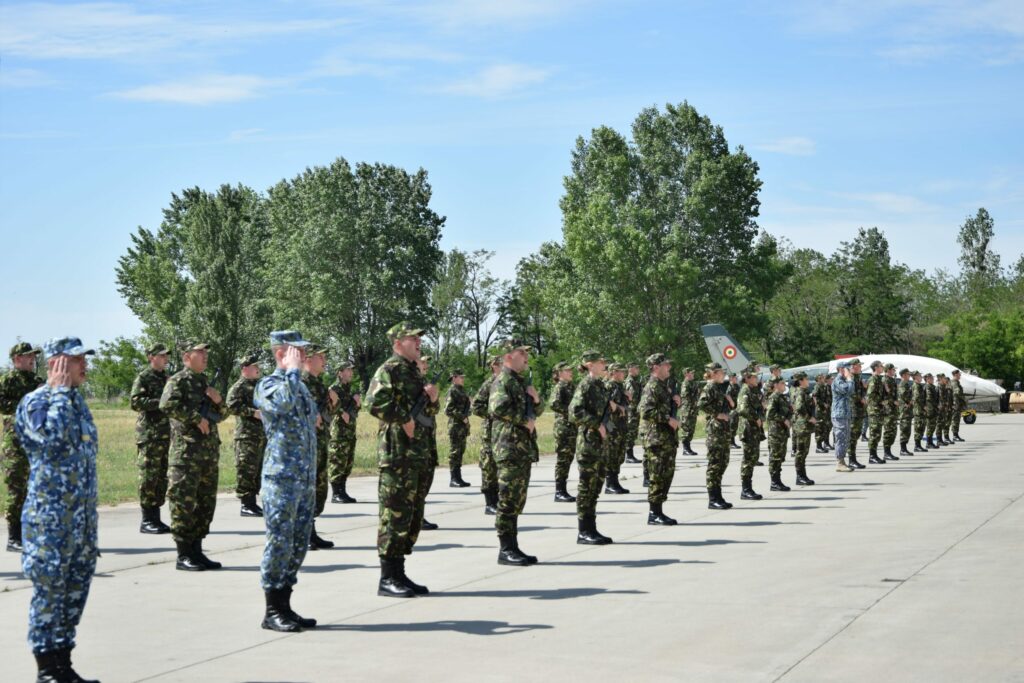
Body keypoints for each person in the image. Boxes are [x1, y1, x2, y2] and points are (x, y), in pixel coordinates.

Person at [15, 337, 99, 683]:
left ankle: (64, 664)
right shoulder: (36, 403)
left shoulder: (77, 402)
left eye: (83, 360)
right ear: (55, 365)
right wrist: (61, 393)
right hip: (50, 520)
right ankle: (47, 669)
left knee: (75, 591)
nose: (84, 366)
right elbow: (50, 442)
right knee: (50, 593)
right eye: (76, 360)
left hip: (79, 521)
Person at [253, 331, 319, 632]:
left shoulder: (300, 387)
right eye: (298, 352)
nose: (304, 356)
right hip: (281, 479)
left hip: (303, 479)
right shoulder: (268, 385)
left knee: (298, 543)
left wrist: (296, 376)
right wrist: (291, 372)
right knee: (279, 542)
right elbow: (279, 405)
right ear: (281, 353)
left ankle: (285, 605)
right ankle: (272, 610)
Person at [366, 322, 438, 596]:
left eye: (419, 338)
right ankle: (387, 579)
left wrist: (432, 398)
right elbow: (373, 403)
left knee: (410, 516)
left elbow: (427, 410)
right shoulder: (390, 369)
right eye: (412, 338)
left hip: (417, 454)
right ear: (398, 343)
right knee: (393, 515)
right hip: (396, 455)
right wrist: (403, 418)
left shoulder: (413, 371)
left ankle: (400, 573)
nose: (418, 342)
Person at [159, 340, 224, 571]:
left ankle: (197, 551)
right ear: (187, 357)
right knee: (183, 504)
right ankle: (183, 554)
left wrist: (217, 401)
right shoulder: (178, 380)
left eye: (206, 352)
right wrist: (196, 418)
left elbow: (222, 414)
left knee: (205, 505)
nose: (205, 356)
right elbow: (166, 405)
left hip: (207, 455)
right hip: (186, 455)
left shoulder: (204, 382)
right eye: (200, 352)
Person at [488, 339, 542, 566]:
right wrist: (523, 421)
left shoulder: (520, 382)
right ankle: (506, 549)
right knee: (508, 500)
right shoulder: (503, 380)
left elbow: (536, 410)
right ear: (508, 357)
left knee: (518, 499)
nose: (526, 356)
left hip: (522, 448)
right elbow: (497, 407)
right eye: (521, 352)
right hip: (508, 447)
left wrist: (536, 398)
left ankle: (513, 546)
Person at [1, 341, 43, 552]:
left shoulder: (38, 381)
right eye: (28, 356)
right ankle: (13, 538)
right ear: (17, 359)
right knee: (16, 490)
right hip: (14, 444)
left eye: (34, 356)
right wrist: (24, 403)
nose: (32, 359)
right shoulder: (7, 381)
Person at [570, 351, 613, 545]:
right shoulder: (585, 385)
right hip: (588, 443)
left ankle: (592, 528)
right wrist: (597, 424)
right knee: (587, 487)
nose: (604, 364)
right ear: (589, 365)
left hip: (600, 443)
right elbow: (574, 411)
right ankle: (584, 531)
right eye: (600, 362)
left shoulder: (600, 386)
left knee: (596, 487)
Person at [129, 342, 172, 534]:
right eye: (161, 355)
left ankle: (156, 518)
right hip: (149, 434)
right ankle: (146, 520)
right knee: (148, 476)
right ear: (151, 357)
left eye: (166, 356)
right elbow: (135, 402)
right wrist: (160, 402)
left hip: (164, 434)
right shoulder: (144, 377)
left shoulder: (167, 378)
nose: (165, 358)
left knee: (161, 476)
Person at [300, 346, 334, 550]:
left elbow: (327, 415)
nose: (324, 360)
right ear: (308, 359)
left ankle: (311, 531)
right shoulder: (300, 383)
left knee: (318, 489)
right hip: (306, 445)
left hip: (320, 443)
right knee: (306, 489)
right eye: (321, 356)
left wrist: (334, 403)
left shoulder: (319, 385)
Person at [639, 353, 679, 524]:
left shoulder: (663, 386)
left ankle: (659, 511)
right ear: (656, 367)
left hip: (666, 438)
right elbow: (646, 411)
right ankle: (654, 513)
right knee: (657, 476)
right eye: (665, 365)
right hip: (656, 439)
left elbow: (662, 406)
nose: (669, 367)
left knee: (666, 474)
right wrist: (667, 418)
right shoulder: (652, 386)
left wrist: (675, 401)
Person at [226, 353, 266, 517]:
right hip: (246, 436)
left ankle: (253, 503)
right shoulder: (238, 387)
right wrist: (252, 412)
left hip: (261, 435)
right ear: (245, 369)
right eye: (254, 366)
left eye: (258, 366)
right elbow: (231, 406)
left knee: (257, 469)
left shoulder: (259, 386)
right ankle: (246, 504)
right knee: (246, 469)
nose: (258, 369)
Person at [697, 362, 734, 508]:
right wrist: (717, 414)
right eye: (720, 372)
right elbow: (702, 404)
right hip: (715, 431)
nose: (723, 374)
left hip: (723, 430)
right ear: (713, 373)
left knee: (722, 463)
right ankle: (713, 499)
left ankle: (718, 496)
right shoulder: (710, 386)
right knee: (715, 465)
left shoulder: (718, 388)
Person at [472, 354, 502, 514]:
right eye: (500, 363)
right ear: (495, 366)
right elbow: (476, 406)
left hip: (502, 431)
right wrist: (492, 414)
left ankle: (498, 499)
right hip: (490, 431)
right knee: (489, 465)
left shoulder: (506, 382)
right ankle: (490, 502)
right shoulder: (489, 383)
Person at [327, 361, 360, 504]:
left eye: (351, 370)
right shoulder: (334, 389)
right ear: (340, 373)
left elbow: (353, 411)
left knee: (347, 462)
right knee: (337, 461)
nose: (351, 373)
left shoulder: (350, 389)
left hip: (350, 430)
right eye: (348, 370)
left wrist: (356, 403)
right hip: (338, 431)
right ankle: (336, 493)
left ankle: (343, 491)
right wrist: (342, 411)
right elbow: (333, 408)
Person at [414, 355, 440, 531]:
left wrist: (433, 398)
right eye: (422, 362)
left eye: (426, 363)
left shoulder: (424, 384)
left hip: (427, 439)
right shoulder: (410, 383)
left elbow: (434, 410)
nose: (426, 365)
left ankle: (419, 515)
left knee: (426, 480)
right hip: (414, 441)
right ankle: (414, 517)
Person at [548, 361, 578, 502]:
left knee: (569, 458)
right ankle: (559, 491)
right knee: (563, 460)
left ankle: (563, 490)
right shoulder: (560, 387)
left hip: (572, 427)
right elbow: (553, 403)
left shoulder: (571, 386)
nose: (571, 372)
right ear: (559, 373)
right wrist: (570, 412)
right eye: (567, 370)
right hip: (563, 428)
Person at [735, 369, 765, 500]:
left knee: (753, 458)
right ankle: (745, 489)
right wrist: (756, 418)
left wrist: (760, 416)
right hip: (748, 428)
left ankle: (748, 488)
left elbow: (759, 407)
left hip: (754, 428)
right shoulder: (745, 390)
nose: (756, 378)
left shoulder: (753, 390)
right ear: (747, 378)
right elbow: (742, 409)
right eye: (753, 377)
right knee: (748, 459)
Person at [603, 362, 630, 495]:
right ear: (613, 372)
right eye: (620, 371)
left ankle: (615, 481)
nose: (623, 373)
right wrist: (619, 408)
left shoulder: (620, 386)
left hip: (621, 426)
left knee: (619, 455)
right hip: (612, 426)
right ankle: (609, 484)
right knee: (611, 455)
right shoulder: (609, 385)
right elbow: (605, 403)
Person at [444, 368, 472, 488]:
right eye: (461, 377)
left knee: (460, 451)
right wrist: (462, 417)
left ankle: (458, 478)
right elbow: (448, 410)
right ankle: (453, 478)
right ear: (454, 378)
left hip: (462, 426)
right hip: (455, 426)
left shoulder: (461, 391)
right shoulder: (452, 391)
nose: (463, 379)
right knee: (455, 451)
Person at [765, 377, 793, 491]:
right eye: (782, 383)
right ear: (776, 385)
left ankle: (778, 481)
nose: (784, 385)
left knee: (780, 457)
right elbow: (770, 414)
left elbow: (789, 411)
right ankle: (774, 482)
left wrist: (789, 417)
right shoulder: (774, 397)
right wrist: (783, 419)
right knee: (775, 457)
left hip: (783, 431)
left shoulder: (783, 397)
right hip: (776, 431)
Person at [790, 372, 816, 485]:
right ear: (800, 381)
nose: (808, 381)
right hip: (801, 425)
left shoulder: (804, 392)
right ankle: (800, 476)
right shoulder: (800, 392)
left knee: (804, 451)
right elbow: (799, 408)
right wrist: (809, 417)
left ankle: (802, 475)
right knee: (801, 451)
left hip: (804, 426)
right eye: (806, 379)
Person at [831, 362, 856, 472]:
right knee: (841, 438)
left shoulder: (844, 380)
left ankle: (842, 461)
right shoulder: (838, 380)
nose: (850, 370)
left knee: (845, 438)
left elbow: (851, 390)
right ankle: (840, 463)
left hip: (844, 414)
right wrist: (850, 378)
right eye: (848, 368)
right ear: (841, 369)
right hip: (839, 414)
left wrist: (849, 379)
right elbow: (848, 390)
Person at [866, 360, 887, 465]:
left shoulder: (879, 379)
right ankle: (872, 456)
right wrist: (880, 401)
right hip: (874, 410)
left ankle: (874, 455)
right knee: (874, 433)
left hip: (878, 410)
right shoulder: (873, 379)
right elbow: (870, 395)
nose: (882, 367)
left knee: (877, 434)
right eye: (880, 366)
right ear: (875, 367)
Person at [847, 360, 867, 468]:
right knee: (852, 435)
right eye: (859, 365)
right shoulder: (850, 378)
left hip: (859, 410)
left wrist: (864, 389)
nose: (860, 367)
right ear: (854, 366)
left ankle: (853, 458)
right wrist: (861, 399)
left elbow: (860, 392)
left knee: (856, 434)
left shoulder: (857, 377)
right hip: (853, 410)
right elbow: (851, 394)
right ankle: (851, 459)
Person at [624, 362, 643, 463]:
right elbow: (630, 397)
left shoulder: (636, 381)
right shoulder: (630, 382)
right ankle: (629, 455)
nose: (638, 370)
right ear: (630, 369)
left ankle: (630, 455)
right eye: (636, 368)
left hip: (635, 411)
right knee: (630, 433)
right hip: (631, 411)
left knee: (633, 432)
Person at [679, 367, 699, 456]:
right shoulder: (685, 384)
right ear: (686, 374)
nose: (693, 374)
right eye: (691, 373)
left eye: (693, 373)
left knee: (691, 429)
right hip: (687, 410)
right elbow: (685, 397)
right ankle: (685, 449)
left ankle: (688, 448)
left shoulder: (693, 383)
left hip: (693, 409)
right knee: (686, 429)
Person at [882, 363, 900, 460]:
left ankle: (889, 452)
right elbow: (884, 396)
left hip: (893, 409)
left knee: (893, 431)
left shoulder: (892, 380)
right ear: (888, 370)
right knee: (888, 431)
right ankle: (886, 452)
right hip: (888, 409)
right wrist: (893, 401)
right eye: (893, 369)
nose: (894, 371)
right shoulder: (884, 380)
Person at [897, 368, 915, 456]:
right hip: (904, 411)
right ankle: (903, 449)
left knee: (907, 430)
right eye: (908, 374)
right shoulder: (903, 384)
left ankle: (904, 449)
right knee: (904, 430)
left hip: (908, 410)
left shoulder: (906, 384)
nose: (910, 376)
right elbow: (905, 395)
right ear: (904, 375)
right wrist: (911, 400)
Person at [812, 373, 831, 453]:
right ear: (818, 379)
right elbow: (815, 397)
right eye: (822, 378)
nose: (824, 379)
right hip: (820, 410)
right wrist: (823, 404)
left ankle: (823, 444)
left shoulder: (824, 386)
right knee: (819, 428)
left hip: (825, 410)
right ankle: (818, 446)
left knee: (824, 427)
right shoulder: (817, 386)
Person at [911, 371, 927, 452]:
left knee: (921, 427)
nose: (921, 377)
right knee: (918, 428)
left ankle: (918, 445)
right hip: (918, 410)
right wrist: (923, 406)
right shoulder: (916, 386)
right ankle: (917, 446)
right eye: (920, 375)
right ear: (915, 377)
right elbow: (917, 398)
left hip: (921, 409)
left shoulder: (919, 385)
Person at [923, 373, 940, 449]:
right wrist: (936, 404)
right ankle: (928, 442)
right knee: (930, 426)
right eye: (930, 378)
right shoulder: (927, 387)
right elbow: (929, 398)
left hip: (934, 408)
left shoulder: (933, 387)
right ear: (927, 379)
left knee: (932, 426)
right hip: (930, 409)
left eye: (932, 378)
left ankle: (930, 442)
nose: (932, 379)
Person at [950, 369, 967, 442]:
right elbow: (957, 393)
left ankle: (956, 435)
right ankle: (955, 435)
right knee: (955, 420)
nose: (960, 375)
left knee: (956, 420)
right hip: (955, 404)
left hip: (956, 404)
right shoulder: (955, 383)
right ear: (955, 375)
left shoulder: (955, 382)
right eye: (959, 374)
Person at [937, 374, 953, 445]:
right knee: (940, 424)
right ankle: (939, 440)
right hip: (941, 408)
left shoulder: (945, 387)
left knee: (944, 423)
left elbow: (948, 398)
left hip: (945, 408)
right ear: (940, 379)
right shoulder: (939, 387)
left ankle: (942, 439)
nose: (945, 379)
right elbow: (940, 398)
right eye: (944, 378)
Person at [727, 373, 741, 449]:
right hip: (731, 409)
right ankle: (730, 442)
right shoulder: (730, 386)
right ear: (731, 378)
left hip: (737, 408)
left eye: (736, 377)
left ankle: (732, 442)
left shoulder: (737, 386)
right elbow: (727, 395)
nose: (736, 378)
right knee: (732, 425)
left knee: (735, 425)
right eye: (734, 377)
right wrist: (731, 402)